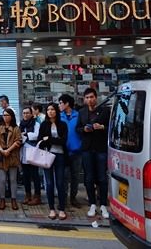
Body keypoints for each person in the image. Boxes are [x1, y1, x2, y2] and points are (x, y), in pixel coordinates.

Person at [76, 87, 110, 219]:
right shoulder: (82, 112)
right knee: (88, 178)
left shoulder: (105, 110)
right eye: (87, 97)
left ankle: (103, 205)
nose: (89, 100)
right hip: (87, 149)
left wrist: (102, 127)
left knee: (102, 177)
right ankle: (92, 204)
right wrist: (84, 129)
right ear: (84, 100)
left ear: (96, 97)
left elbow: (111, 127)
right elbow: (77, 128)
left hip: (101, 148)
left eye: (91, 97)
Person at [38, 103, 69, 220]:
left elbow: (63, 141)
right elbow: (41, 141)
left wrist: (49, 139)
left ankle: (62, 209)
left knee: (60, 183)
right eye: (48, 110)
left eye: (52, 109)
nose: (50, 111)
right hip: (47, 155)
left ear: (56, 111)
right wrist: (53, 140)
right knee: (49, 183)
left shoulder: (63, 124)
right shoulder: (44, 124)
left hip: (60, 156)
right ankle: (51, 208)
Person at [0, 108, 22, 211]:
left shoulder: (16, 128)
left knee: (13, 179)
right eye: (4, 115)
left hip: (12, 156)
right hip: (1, 156)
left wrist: (9, 149)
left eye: (8, 115)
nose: (5, 117)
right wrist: (1, 150)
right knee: (2, 180)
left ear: (12, 116)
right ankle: (2, 199)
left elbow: (18, 141)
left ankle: (13, 199)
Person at [59, 93, 82, 208]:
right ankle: (64, 199)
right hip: (63, 152)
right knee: (64, 176)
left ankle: (73, 198)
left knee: (75, 176)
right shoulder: (59, 116)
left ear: (67, 104)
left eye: (61, 103)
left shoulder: (78, 115)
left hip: (77, 151)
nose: (59, 105)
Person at [19, 106, 41, 205]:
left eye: (27, 113)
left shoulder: (36, 124)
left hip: (33, 151)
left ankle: (37, 196)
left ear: (32, 114)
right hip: (23, 152)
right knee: (25, 176)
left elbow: (37, 135)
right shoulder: (20, 124)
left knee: (35, 175)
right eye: (24, 113)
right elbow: (18, 135)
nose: (25, 115)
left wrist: (26, 134)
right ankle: (27, 195)